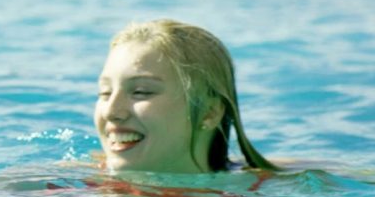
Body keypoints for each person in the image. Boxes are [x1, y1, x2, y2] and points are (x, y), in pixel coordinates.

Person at [95, 19, 278, 174]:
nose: (111, 111)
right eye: (105, 92)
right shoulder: (74, 189)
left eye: (141, 92)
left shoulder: (268, 192)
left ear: (209, 112)